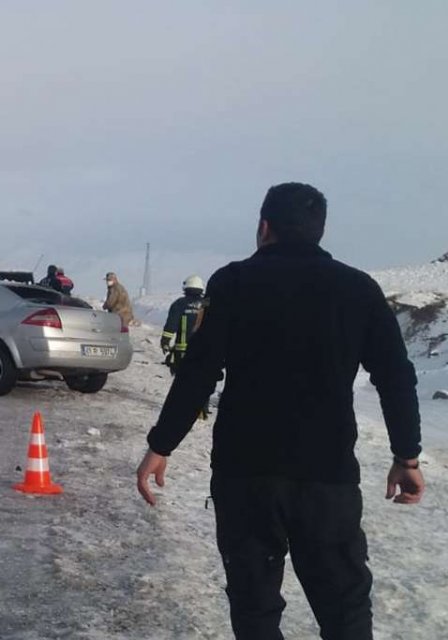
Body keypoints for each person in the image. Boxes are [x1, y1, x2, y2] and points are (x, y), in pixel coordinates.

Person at [134, 183, 424, 639]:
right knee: (345, 611)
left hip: (245, 476)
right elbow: (396, 376)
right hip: (326, 480)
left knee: (255, 610)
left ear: (263, 227)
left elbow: (198, 373)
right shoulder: (358, 289)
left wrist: (161, 445)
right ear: (318, 231)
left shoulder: (231, 283)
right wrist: (406, 456)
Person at [160, 275, 205, 374]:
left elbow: (171, 325)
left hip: (183, 352)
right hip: (205, 351)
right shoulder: (208, 304)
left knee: (183, 380)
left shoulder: (179, 304)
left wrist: (165, 342)